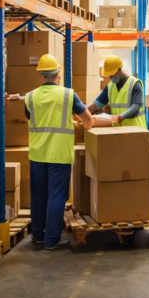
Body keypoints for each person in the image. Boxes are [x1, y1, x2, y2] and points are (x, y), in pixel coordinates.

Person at [23, 54, 94, 250]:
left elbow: (31, 119)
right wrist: (78, 124)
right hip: (58, 155)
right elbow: (89, 121)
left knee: (38, 196)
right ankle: (52, 239)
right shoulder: (68, 95)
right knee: (56, 197)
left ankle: (38, 235)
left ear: (40, 75)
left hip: (37, 154)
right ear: (58, 74)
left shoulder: (30, 97)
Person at [87, 55, 147, 128]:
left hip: (136, 130)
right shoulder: (110, 87)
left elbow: (135, 108)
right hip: (119, 131)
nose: (111, 76)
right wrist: (84, 113)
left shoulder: (135, 84)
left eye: (113, 73)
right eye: (109, 75)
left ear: (120, 69)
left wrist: (120, 117)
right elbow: (96, 104)